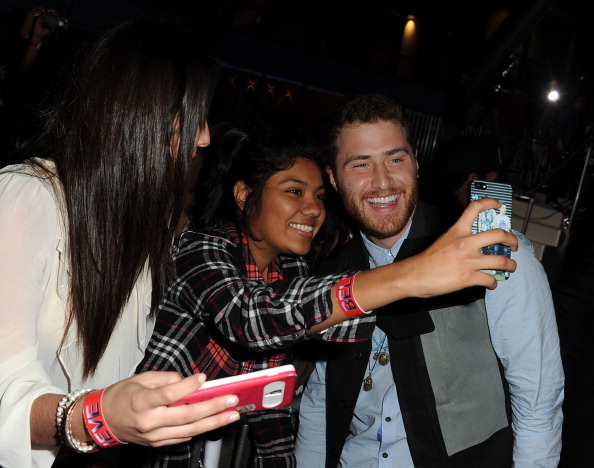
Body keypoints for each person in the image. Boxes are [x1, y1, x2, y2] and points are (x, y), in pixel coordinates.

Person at [136, 117, 519, 468]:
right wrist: (409, 275)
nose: (312, 209)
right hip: (142, 443)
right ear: (243, 194)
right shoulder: (202, 248)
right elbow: (251, 319)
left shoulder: (290, 269)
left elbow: (272, 396)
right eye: (294, 191)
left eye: (319, 196)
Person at [0, 20, 243, 468]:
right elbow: (6, 393)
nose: (205, 136)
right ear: (141, 114)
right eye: (194, 116)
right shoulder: (25, 198)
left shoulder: (140, 226)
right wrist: (96, 416)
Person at [295, 94, 564, 467]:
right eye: (361, 164)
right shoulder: (332, 275)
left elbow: (539, 406)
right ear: (333, 179)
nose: (382, 181)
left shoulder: (496, 254)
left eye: (395, 158)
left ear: (416, 163)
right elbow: (320, 401)